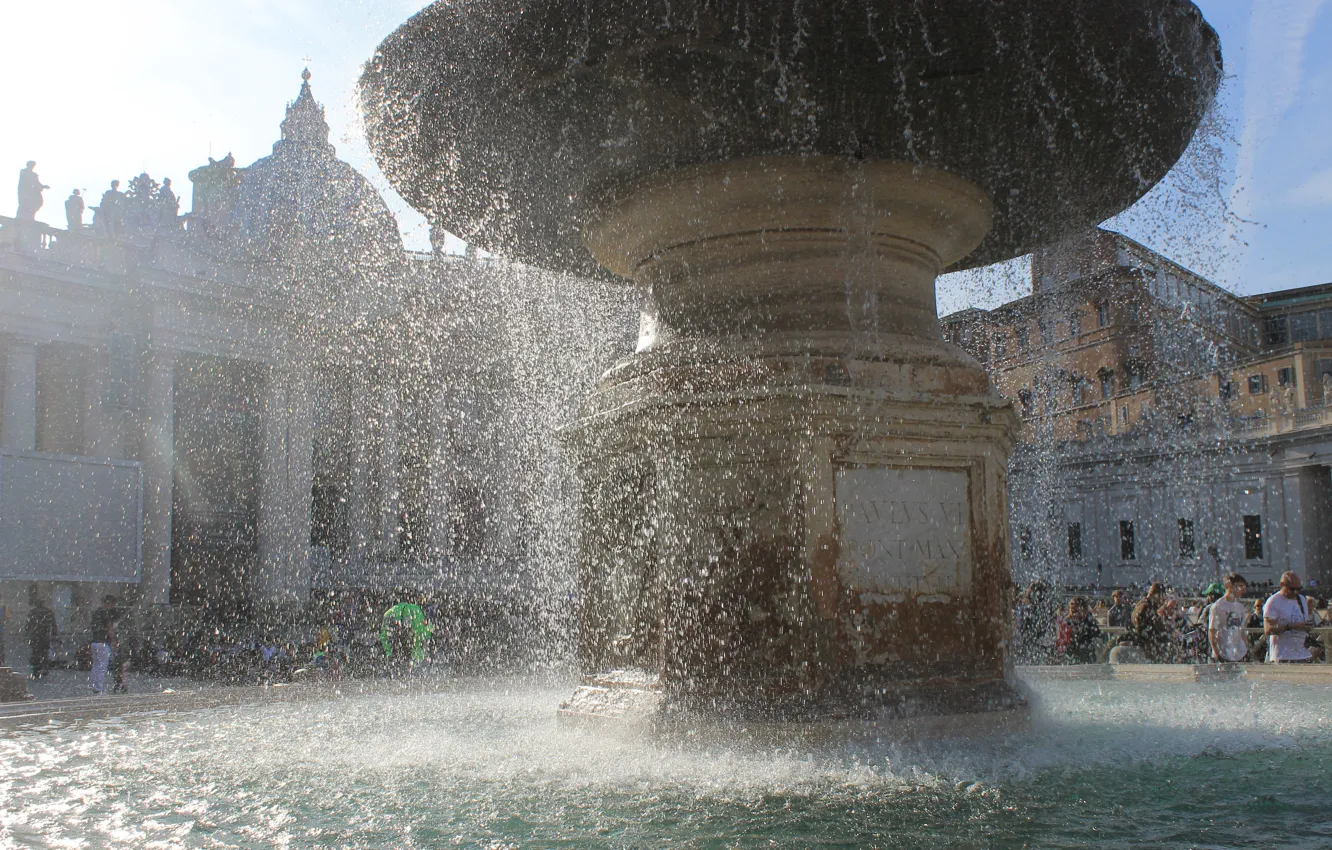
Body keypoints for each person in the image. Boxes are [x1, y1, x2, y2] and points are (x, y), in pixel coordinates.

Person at [1264, 571, 1316, 663]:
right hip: (1283, 656)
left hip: (1303, 654)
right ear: (1281, 585)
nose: (1296, 592)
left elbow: (1303, 620)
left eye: (1299, 589)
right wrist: (1290, 626)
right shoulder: (1273, 602)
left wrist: (1307, 627)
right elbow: (1268, 629)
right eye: (1292, 589)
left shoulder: (1301, 599)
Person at [1208, 573, 1250, 663]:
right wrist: (1217, 653)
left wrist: (1246, 648)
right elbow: (1212, 631)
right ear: (1230, 585)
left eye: (1244, 587)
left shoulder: (1240, 607)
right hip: (1223, 654)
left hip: (1238, 654)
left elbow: (1241, 630)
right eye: (1240, 586)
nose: (1243, 589)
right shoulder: (1218, 606)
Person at [1131, 583, 1173, 662]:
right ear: (1156, 595)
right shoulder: (1146, 606)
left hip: (1148, 642)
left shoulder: (1146, 604)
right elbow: (1138, 619)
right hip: (1147, 644)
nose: (1162, 600)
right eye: (1161, 596)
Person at [88, 595, 119, 694]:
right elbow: (109, 629)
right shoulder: (105, 613)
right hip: (103, 643)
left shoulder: (96, 612)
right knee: (102, 666)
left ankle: (92, 685)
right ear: (109, 603)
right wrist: (114, 639)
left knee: (96, 665)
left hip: (94, 642)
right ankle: (98, 688)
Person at [1058, 597, 1103, 664]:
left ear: (1084, 609)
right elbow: (1062, 641)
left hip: (1087, 655)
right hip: (1071, 656)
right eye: (1072, 611)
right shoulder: (1067, 622)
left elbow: (1099, 636)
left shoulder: (1089, 621)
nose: (1074, 614)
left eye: (1076, 611)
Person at [24, 590, 58, 679]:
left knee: (36, 652)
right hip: (45, 635)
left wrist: (26, 635)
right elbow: (53, 624)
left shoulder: (32, 612)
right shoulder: (48, 612)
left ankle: (36, 670)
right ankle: (44, 668)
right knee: (44, 652)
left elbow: (28, 625)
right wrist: (55, 634)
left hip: (35, 636)